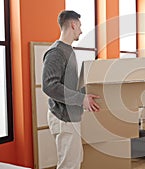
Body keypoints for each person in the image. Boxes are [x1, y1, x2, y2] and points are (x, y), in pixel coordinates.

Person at [42, 10, 100, 169]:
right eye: (79, 26)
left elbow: (69, 84)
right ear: (73, 25)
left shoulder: (69, 50)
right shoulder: (56, 52)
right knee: (69, 165)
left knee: (75, 161)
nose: (81, 31)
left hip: (71, 117)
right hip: (63, 118)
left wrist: (84, 95)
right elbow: (49, 85)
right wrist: (81, 99)